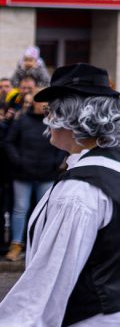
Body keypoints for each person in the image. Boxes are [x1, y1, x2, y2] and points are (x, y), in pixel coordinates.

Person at [0, 64, 120, 327]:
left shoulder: (78, 191)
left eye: (51, 111)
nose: (47, 121)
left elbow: (49, 280)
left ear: (71, 117)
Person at [3, 81, 63, 262]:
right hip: (23, 173)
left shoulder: (54, 122)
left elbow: (62, 144)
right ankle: (16, 244)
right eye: (40, 100)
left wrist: (56, 161)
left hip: (47, 173)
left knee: (43, 209)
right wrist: (18, 161)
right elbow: (9, 142)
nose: (44, 104)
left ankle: (41, 246)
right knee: (20, 209)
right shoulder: (22, 120)